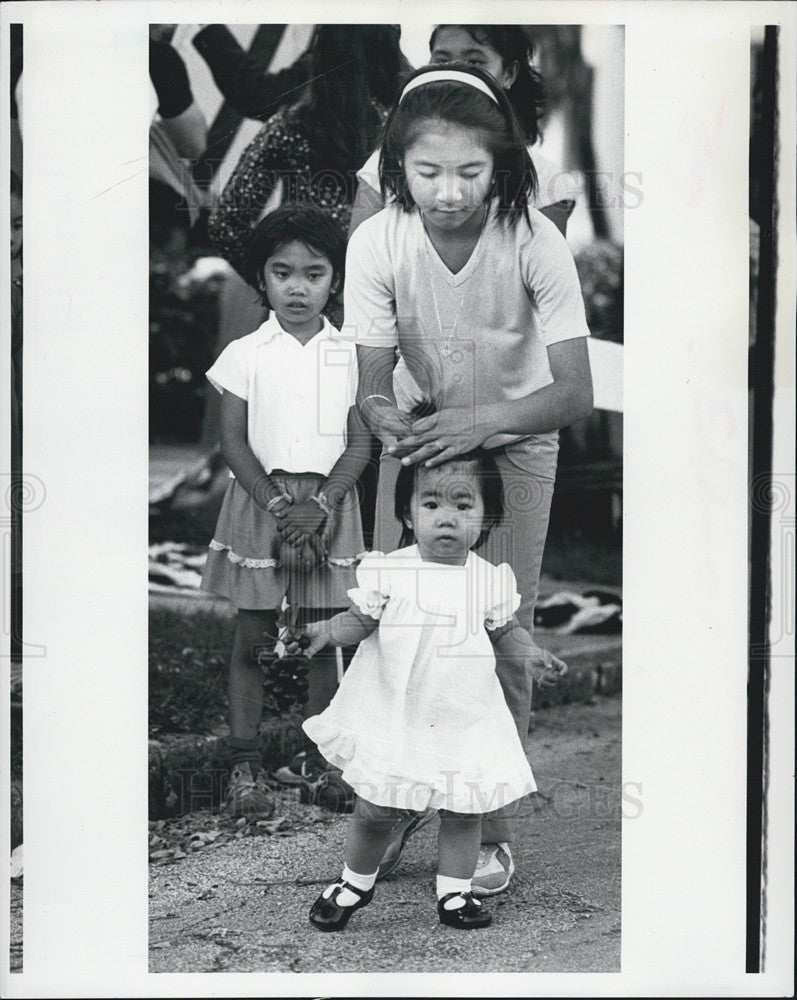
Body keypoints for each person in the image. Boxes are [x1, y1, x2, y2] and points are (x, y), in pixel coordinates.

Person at [344, 65, 593, 895]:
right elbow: (372, 379)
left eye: (469, 172)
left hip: (518, 438)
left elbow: (573, 393)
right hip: (423, 444)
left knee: (497, 627)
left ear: (503, 167)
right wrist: (384, 417)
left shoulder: (533, 239)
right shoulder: (378, 239)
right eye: (426, 173)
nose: (447, 192)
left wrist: (483, 421)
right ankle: (395, 796)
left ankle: (488, 827)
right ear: (396, 170)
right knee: (396, 617)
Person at [298, 451, 567, 931]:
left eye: (464, 506)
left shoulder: (488, 578)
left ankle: (455, 893)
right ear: (407, 513)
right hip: (398, 711)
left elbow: (505, 631)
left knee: (464, 808)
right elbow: (358, 621)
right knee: (376, 805)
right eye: (432, 505)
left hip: (462, 713)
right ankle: (354, 882)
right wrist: (324, 631)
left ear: (487, 518)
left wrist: (533, 656)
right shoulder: (389, 570)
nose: (448, 518)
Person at [199, 206, 371, 817]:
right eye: (282, 272)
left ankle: (320, 762)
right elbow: (233, 443)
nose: (298, 287)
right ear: (262, 279)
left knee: (323, 638)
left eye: (314, 273)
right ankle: (245, 767)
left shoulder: (351, 353)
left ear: (336, 282)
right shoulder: (244, 353)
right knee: (252, 637)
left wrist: (321, 504)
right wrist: (277, 505)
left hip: (329, 507)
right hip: (258, 504)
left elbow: (359, 442)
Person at [208, 24, 405, 303]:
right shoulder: (410, 128)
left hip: (308, 308)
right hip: (383, 304)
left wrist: (280, 284)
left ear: (319, 54)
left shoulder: (292, 124)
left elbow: (226, 223)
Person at [348, 24, 577, 238]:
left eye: (475, 62)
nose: (456, 72)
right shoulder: (385, 164)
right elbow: (359, 262)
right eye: (442, 60)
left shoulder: (548, 184)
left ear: (509, 74)